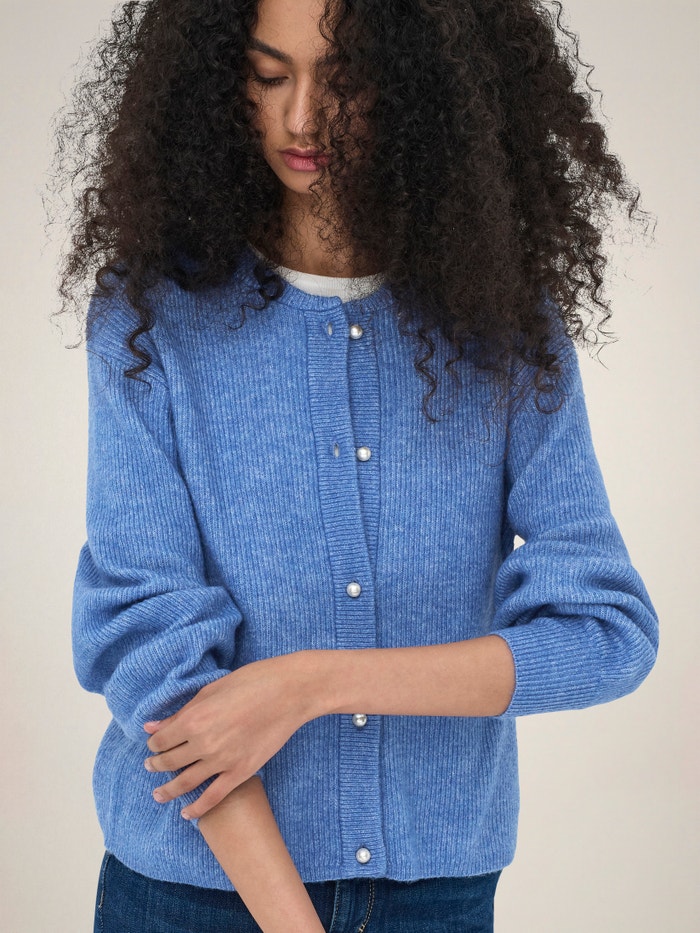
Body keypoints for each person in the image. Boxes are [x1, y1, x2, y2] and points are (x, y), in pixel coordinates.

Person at [57, 0, 659, 930]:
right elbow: (153, 655)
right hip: (191, 895)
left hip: (436, 896)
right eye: (269, 76)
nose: (300, 118)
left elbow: (605, 632)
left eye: (343, 80)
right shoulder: (151, 317)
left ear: (425, 87)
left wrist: (314, 683)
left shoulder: (505, 324)